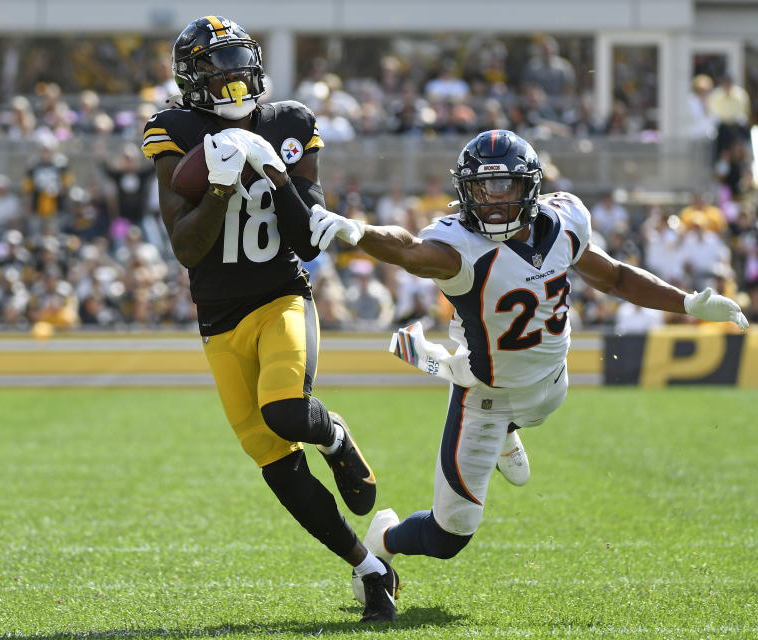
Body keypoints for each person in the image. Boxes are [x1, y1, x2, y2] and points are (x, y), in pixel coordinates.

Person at [308, 129, 749, 607]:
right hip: (486, 400)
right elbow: (410, 250)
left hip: (552, 383)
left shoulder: (564, 224)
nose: (494, 202)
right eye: (482, 188)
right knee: (449, 537)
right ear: (465, 191)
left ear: (531, 188)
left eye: (506, 187)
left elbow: (617, 277)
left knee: (535, 406)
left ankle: (507, 430)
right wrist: (360, 232)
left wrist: (686, 302)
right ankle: (385, 537)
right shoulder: (460, 247)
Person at [141, 15, 398, 623]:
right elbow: (184, 247)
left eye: (238, 59)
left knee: (285, 410)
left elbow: (308, 240)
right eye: (216, 63)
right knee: (273, 460)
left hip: (281, 293)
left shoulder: (289, 123)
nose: (231, 74)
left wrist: (271, 170)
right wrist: (224, 186)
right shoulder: (171, 130)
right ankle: (368, 567)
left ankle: (333, 434)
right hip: (218, 317)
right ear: (192, 76)